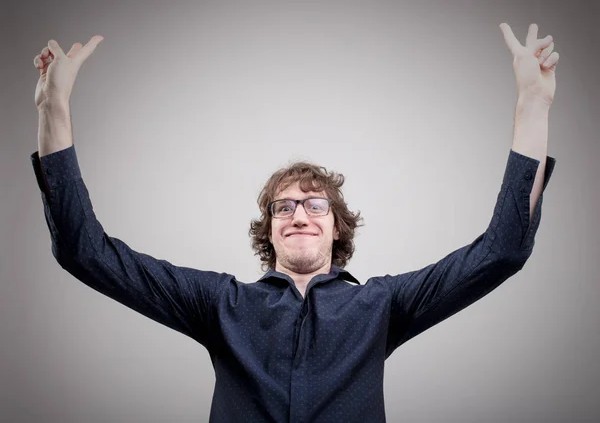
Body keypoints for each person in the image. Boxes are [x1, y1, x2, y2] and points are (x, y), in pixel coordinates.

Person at [30, 23, 558, 422]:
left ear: (337, 228)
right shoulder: (221, 304)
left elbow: (502, 250)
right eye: (283, 207)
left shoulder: (382, 306)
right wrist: (53, 107)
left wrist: (533, 107)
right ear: (270, 230)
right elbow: (86, 252)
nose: (299, 213)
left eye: (315, 205)